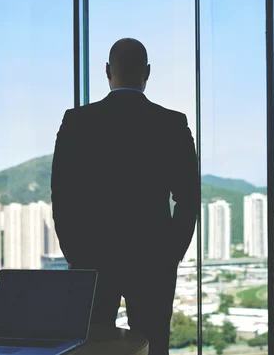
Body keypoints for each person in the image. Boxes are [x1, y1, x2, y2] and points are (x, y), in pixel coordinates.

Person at [51, 38, 200, 355]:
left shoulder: (77, 121)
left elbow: (62, 196)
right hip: (153, 259)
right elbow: (189, 198)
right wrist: (171, 253)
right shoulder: (172, 123)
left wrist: (75, 253)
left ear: (107, 70)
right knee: (153, 345)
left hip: (91, 258)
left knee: (90, 347)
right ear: (148, 72)